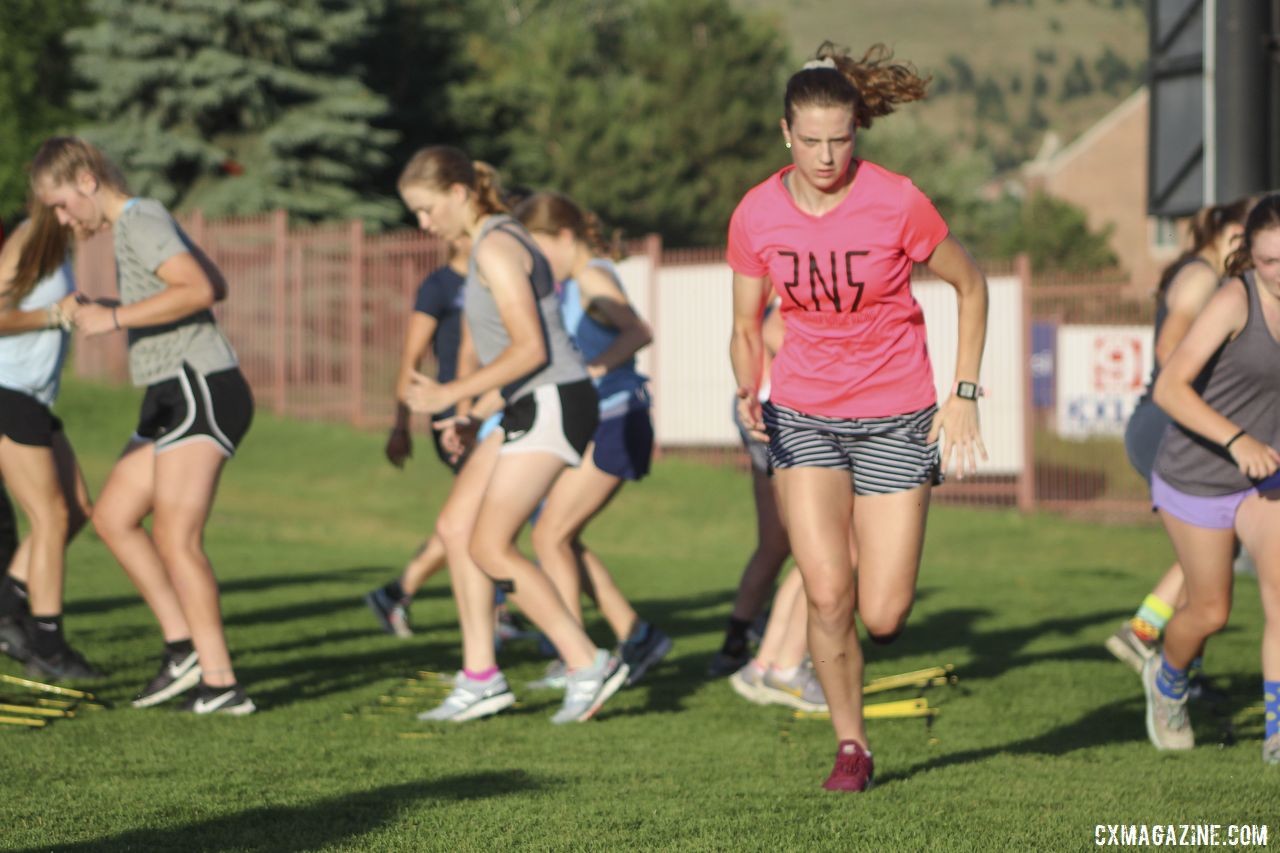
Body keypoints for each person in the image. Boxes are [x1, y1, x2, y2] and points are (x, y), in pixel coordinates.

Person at [728, 43, 989, 791]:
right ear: (786, 132)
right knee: (826, 591)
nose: (825, 154)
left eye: (839, 139)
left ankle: (853, 681)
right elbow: (747, 322)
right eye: (810, 140)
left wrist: (963, 395)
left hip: (897, 415)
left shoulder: (897, 200)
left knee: (882, 613)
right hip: (804, 414)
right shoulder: (756, 213)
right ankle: (851, 745)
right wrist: (750, 385)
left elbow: (972, 288)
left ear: (856, 131)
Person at [397, 147, 628, 723]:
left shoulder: (497, 247)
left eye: (426, 211)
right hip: (531, 398)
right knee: (456, 530)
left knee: (490, 545)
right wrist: (476, 412)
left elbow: (533, 349)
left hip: (554, 400)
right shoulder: (492, 243)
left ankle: (586, 661)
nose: (423, 225)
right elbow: (526, 356)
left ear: (457, 194)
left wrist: (453, 395)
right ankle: (481, 678)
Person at [32, 136, 255, 714]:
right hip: (168, 391)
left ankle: (221, 683)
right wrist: (111, 305)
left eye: (61, 204)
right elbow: (208, 286)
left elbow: (202, 291)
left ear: (86, 179)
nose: (62, 217)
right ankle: (184, 651)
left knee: (177, 539)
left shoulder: (140, 218)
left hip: (199, 386)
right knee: (112, 517)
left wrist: (114, 317)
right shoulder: (138, 224)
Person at [514, 191, 673, 687]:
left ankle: (576, 656)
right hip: (601, 419)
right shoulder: (575, 281)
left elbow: (638, 331)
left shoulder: (592, 277)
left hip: (617, 420)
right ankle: (636, 635)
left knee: (549, 534)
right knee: (562, 535)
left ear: (564, 237)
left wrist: (592, 370)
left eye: (539, 250)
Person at [1144, 193, 1280, 765]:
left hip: (1265, 478)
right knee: (1209, 612)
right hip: (1197, 477)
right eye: (1270, 260)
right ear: (1251, 257)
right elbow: (1168, 388)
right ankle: (1167, 681)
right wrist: (1236, 439)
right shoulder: (1234, 300)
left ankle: (1276, 732)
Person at [1108, 199, 1250, 689]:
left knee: (1220, 542)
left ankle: (1178, 662)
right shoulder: (1202, 277)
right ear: (1228, 230)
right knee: (1215, 537)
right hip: (1168, 424)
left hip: (1176, 422)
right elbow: (1170, 350)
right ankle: (1145, 635)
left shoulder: (1212, 276)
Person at [0, 200, 96, 678]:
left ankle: (6, 606)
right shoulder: (29, 241)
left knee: (77, 508)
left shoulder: (59, 249)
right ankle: (48, 647)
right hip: (6, 392)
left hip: (31, 398)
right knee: (51, 516)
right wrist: (54, 316)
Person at [710, 301, 788, 677]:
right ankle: (775, 655)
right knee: (822, 543)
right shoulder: (788, 280)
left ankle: (737, 642)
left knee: (775, 543)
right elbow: (774, 331)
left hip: (763, 409)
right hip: (780, 413)